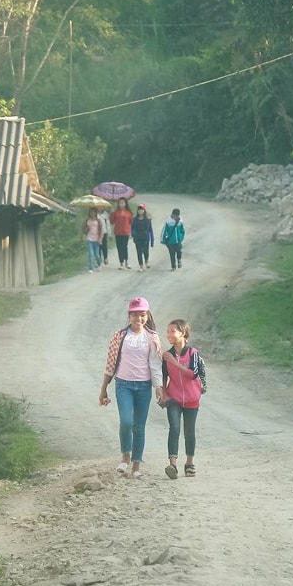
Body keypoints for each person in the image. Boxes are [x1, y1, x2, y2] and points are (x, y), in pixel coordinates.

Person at [99, 297, 165, 479]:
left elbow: (155, 364)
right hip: (124, 385)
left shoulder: (152, 337)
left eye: (142, 315)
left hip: (144, 387)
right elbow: (110, 364)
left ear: (147, 315)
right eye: (135, 315)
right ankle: (125, 457)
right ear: (129, 316)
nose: (139, 319)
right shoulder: (120, 336)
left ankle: (136, 465)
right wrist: (104, 388)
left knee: (139, 426)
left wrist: (158, 387)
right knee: (126, 421)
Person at [160, 319, 207, 478]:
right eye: (168, 332)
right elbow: (163, 377)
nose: (169, 335)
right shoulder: (167, 355)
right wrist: (163, 393)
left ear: (183, 333)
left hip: (192, 399)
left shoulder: (192, 353)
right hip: (173, 398)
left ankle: (189, 462)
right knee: (174, 428)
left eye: (173, 331)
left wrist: (174, 362)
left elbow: (192, 374)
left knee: (189, 431)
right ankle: (172, 464)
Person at [110, 198, 133, 269]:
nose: (121, 204)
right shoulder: (116, 212)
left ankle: (126, 261)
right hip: (118, 232)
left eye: (123, 203)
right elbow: (111, 222)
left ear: (125, 203)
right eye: (120, 203)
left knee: (124, 247)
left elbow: (131, 222)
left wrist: (131, 231)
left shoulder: (129, 213)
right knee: (119, 247)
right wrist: (112, 213)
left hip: (125, 232)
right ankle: (121, 263)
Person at [131, 204, 155, 270]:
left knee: (146, 251)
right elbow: (132, 228)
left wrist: (152, 240)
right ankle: (141, 266)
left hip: (145, 238)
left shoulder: (147, 220)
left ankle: (146, 262)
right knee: (139, 252)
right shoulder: (135, 220)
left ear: (144, 210)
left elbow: (150, 230)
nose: (140, 211)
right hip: (138, 238)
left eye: (141, 209)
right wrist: (133, 234)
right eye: (139, 209)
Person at [82, 207, 105, 273]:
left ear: (96, 213)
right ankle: (91, 268)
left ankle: (99, 263)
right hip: (89, 239)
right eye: (91, 212)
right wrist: (86, 230)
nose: (92, 213)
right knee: (91, 254)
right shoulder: (87, 220)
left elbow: (101, 231)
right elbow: (84, 230)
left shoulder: (98, 221)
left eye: (94, 212)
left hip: (96, 239)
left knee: (97, 254)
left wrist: (100, 239)